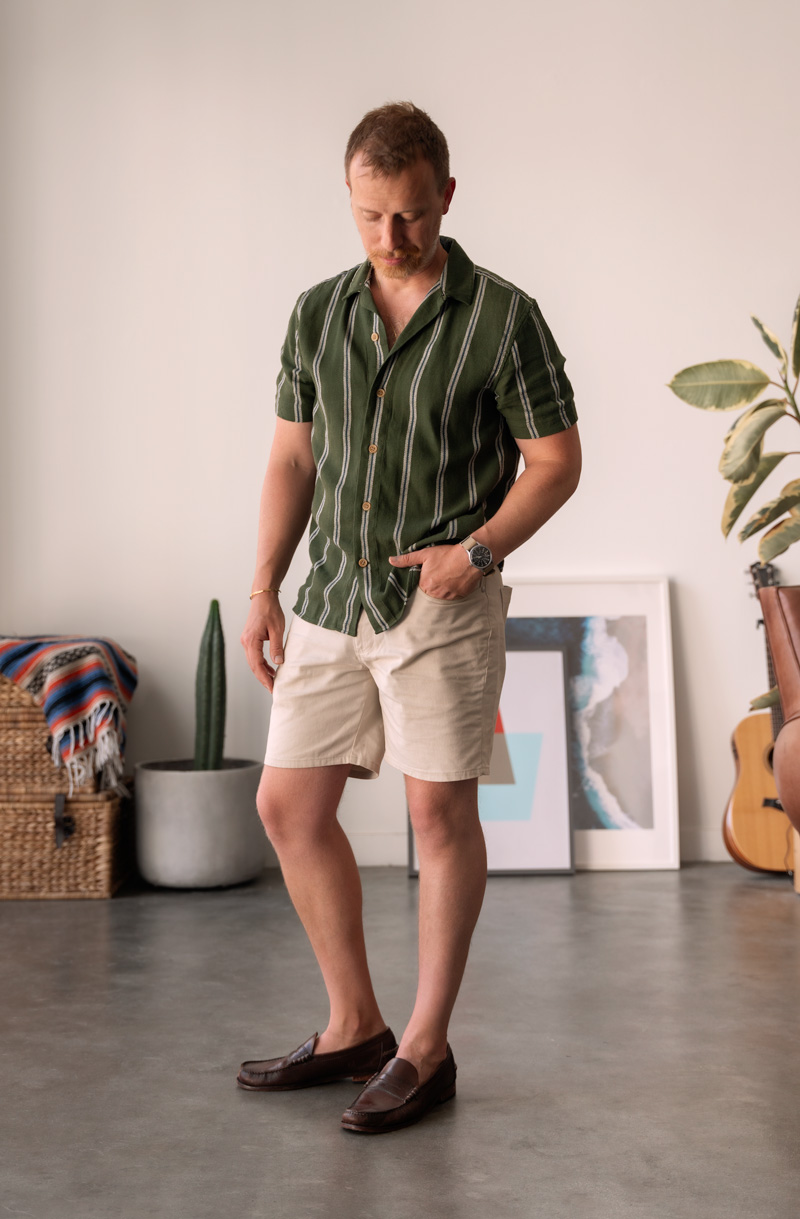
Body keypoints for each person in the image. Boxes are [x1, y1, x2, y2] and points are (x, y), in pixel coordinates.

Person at [238, 101, 581, 1134]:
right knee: (289, 809)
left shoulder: (502, 317)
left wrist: (475, 551)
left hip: (442, 603)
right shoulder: (315, 313)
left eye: (414, 214)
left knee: (439, 819)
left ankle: (425, 1049)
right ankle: (355, 1026)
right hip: (331, 595)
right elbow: (292, 456)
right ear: (350, 200)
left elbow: (555, 462)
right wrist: (263, 583)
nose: (394, 237)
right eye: (373, 215)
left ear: (447, 197)